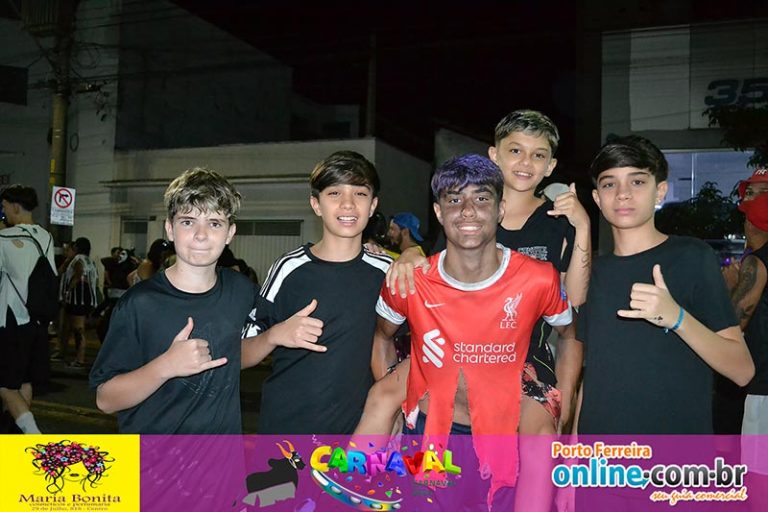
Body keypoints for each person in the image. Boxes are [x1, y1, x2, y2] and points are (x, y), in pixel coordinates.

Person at [365, 110, 589, 511]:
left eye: (538, 155)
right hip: (452, 347)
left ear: (550, 165)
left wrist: (584, 227)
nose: (525, 162)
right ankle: (357, 479)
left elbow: (572, 310)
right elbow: (432, 278)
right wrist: (410, 253)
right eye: (515, 151)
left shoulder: (557, 225)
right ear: (494, 154)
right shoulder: (463, 213)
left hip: (521, 356)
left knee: (538, 442)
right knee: (382, 396)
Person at [89, 168, 324, 433]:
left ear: (230, 233)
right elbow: (105, 399)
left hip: (222, 454)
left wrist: (273, 336)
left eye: (214, 223)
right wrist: (165, 366)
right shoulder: (139, 303)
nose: (201, 235)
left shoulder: (241, 290)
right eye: (188, 222)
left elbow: (232, 356)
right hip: (155, 456)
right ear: (170, 228)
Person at [574, 135, 754, 436]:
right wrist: (573, 448)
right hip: (602, 454)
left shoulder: (691, 257)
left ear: (660, 191)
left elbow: (742, 370)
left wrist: (677, 318)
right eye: (609, 184)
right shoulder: (594, 273)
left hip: (675, 453)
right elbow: (593, 375)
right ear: (597, 198)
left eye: (637, 182)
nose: (622, 194)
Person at [256, 150, 391, 435]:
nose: (348, 204)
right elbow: (240, 353)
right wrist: (274, 335)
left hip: (356, 437)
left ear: (373, 205)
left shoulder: (387, 272)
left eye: (359, 194)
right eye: (334, 193)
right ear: (316, 205)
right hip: (285, 434)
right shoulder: (288, 268)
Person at [0, 185, 56, 434]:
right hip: (38, 321)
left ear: (15, 206)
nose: (3, 212)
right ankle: (16, 435)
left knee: (5, 385)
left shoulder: (4, 238)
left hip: (11, 320)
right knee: (25, 381)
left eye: (4, 207)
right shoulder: (46, 237)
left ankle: (33, 436)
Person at [729, 192, 768, 509]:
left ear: (753, 224)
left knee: (757, 476)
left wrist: (729, 286)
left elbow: (733, 323)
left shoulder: (757, 262)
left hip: (764, 387)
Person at [56, 237, 99, 367]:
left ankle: (80, 359)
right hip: (86, 297)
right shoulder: (89, 261)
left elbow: (78, 276)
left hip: (77, 297)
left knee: (78, 329)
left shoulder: (78, 260)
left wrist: (67, 292)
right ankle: (70, 355)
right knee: (72, 327)